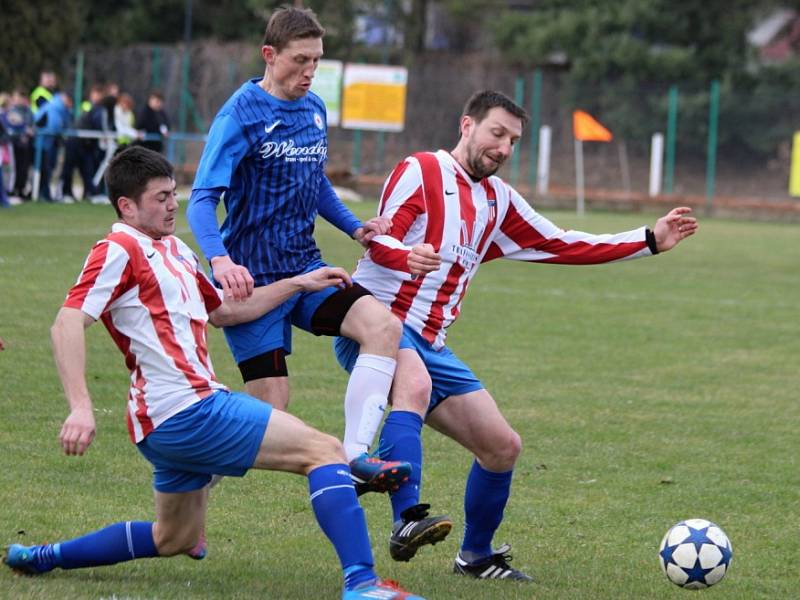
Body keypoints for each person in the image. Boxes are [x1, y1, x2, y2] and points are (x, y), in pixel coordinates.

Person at [1, 147, 424, 600]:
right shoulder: (118, 249)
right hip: (188, 408)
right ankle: (362, 583)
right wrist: (81, 407)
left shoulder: (176, 249)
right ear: (127, 205)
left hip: (166, 421)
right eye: (160, 197)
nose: (172, 204)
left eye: (172, 194)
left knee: (175, 538)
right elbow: (67, 322)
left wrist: (299, 283)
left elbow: (224, 311)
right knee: (325, 451)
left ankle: (43, 556)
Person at [334, 90, 699, 578]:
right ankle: (406, 520)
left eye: (513, 141)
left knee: (502, 446)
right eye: (496, 133)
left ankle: (476, 557)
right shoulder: (421, 169)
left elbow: (560, 243)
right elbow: (380, 237)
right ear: (467, 126)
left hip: (431, 344)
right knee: (414, 384)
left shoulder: (496, 200)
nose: (504, 148)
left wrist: (648, 241)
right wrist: (404, 255)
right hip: (375, 324)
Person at [188, 6, 408, 492]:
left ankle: (356, 457)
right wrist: (220, 260)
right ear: (270, 55)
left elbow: (315, 181)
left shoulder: (314, 109)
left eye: (317, 61)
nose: (310, 71)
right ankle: (186, 489)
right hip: (253, 282)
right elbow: (202, 200)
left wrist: (355, 228)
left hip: (307, 269)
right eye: (300, 60)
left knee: (382, 327)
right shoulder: (239, 115)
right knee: (266, 418)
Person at [34, 91, 72, 202]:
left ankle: (45, 194)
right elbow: (54, 127)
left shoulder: (57, 107)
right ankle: (44, 195)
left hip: (47, 143)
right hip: (45, 144)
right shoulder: (55, 107)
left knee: (47, 170)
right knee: (46, 170)